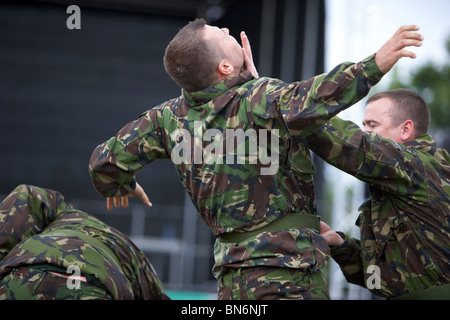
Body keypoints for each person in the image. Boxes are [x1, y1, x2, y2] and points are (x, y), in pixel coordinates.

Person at [88, 19, 423, 300]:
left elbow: (103, 163)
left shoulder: (166, 119)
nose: (226, 30)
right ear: (225, 67)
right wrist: (375, 63)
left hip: (232, 283)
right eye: (223, 36)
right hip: (290, 278)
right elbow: (317, 97)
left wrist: (125, 186)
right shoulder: (260, 98)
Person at [307, 89, 450, 299]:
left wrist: (296, 111)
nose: (365, 132)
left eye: (372, 126)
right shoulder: (398, 183)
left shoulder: (419, 166)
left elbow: (357, 148)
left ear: (405, 129)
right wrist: (341, 245)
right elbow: (383, 280)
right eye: (363, 125)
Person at [0, 184, 169, 300]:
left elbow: (25, 196)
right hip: (94, 287)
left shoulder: (60, 211)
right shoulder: (131, 251)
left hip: (22, 275)